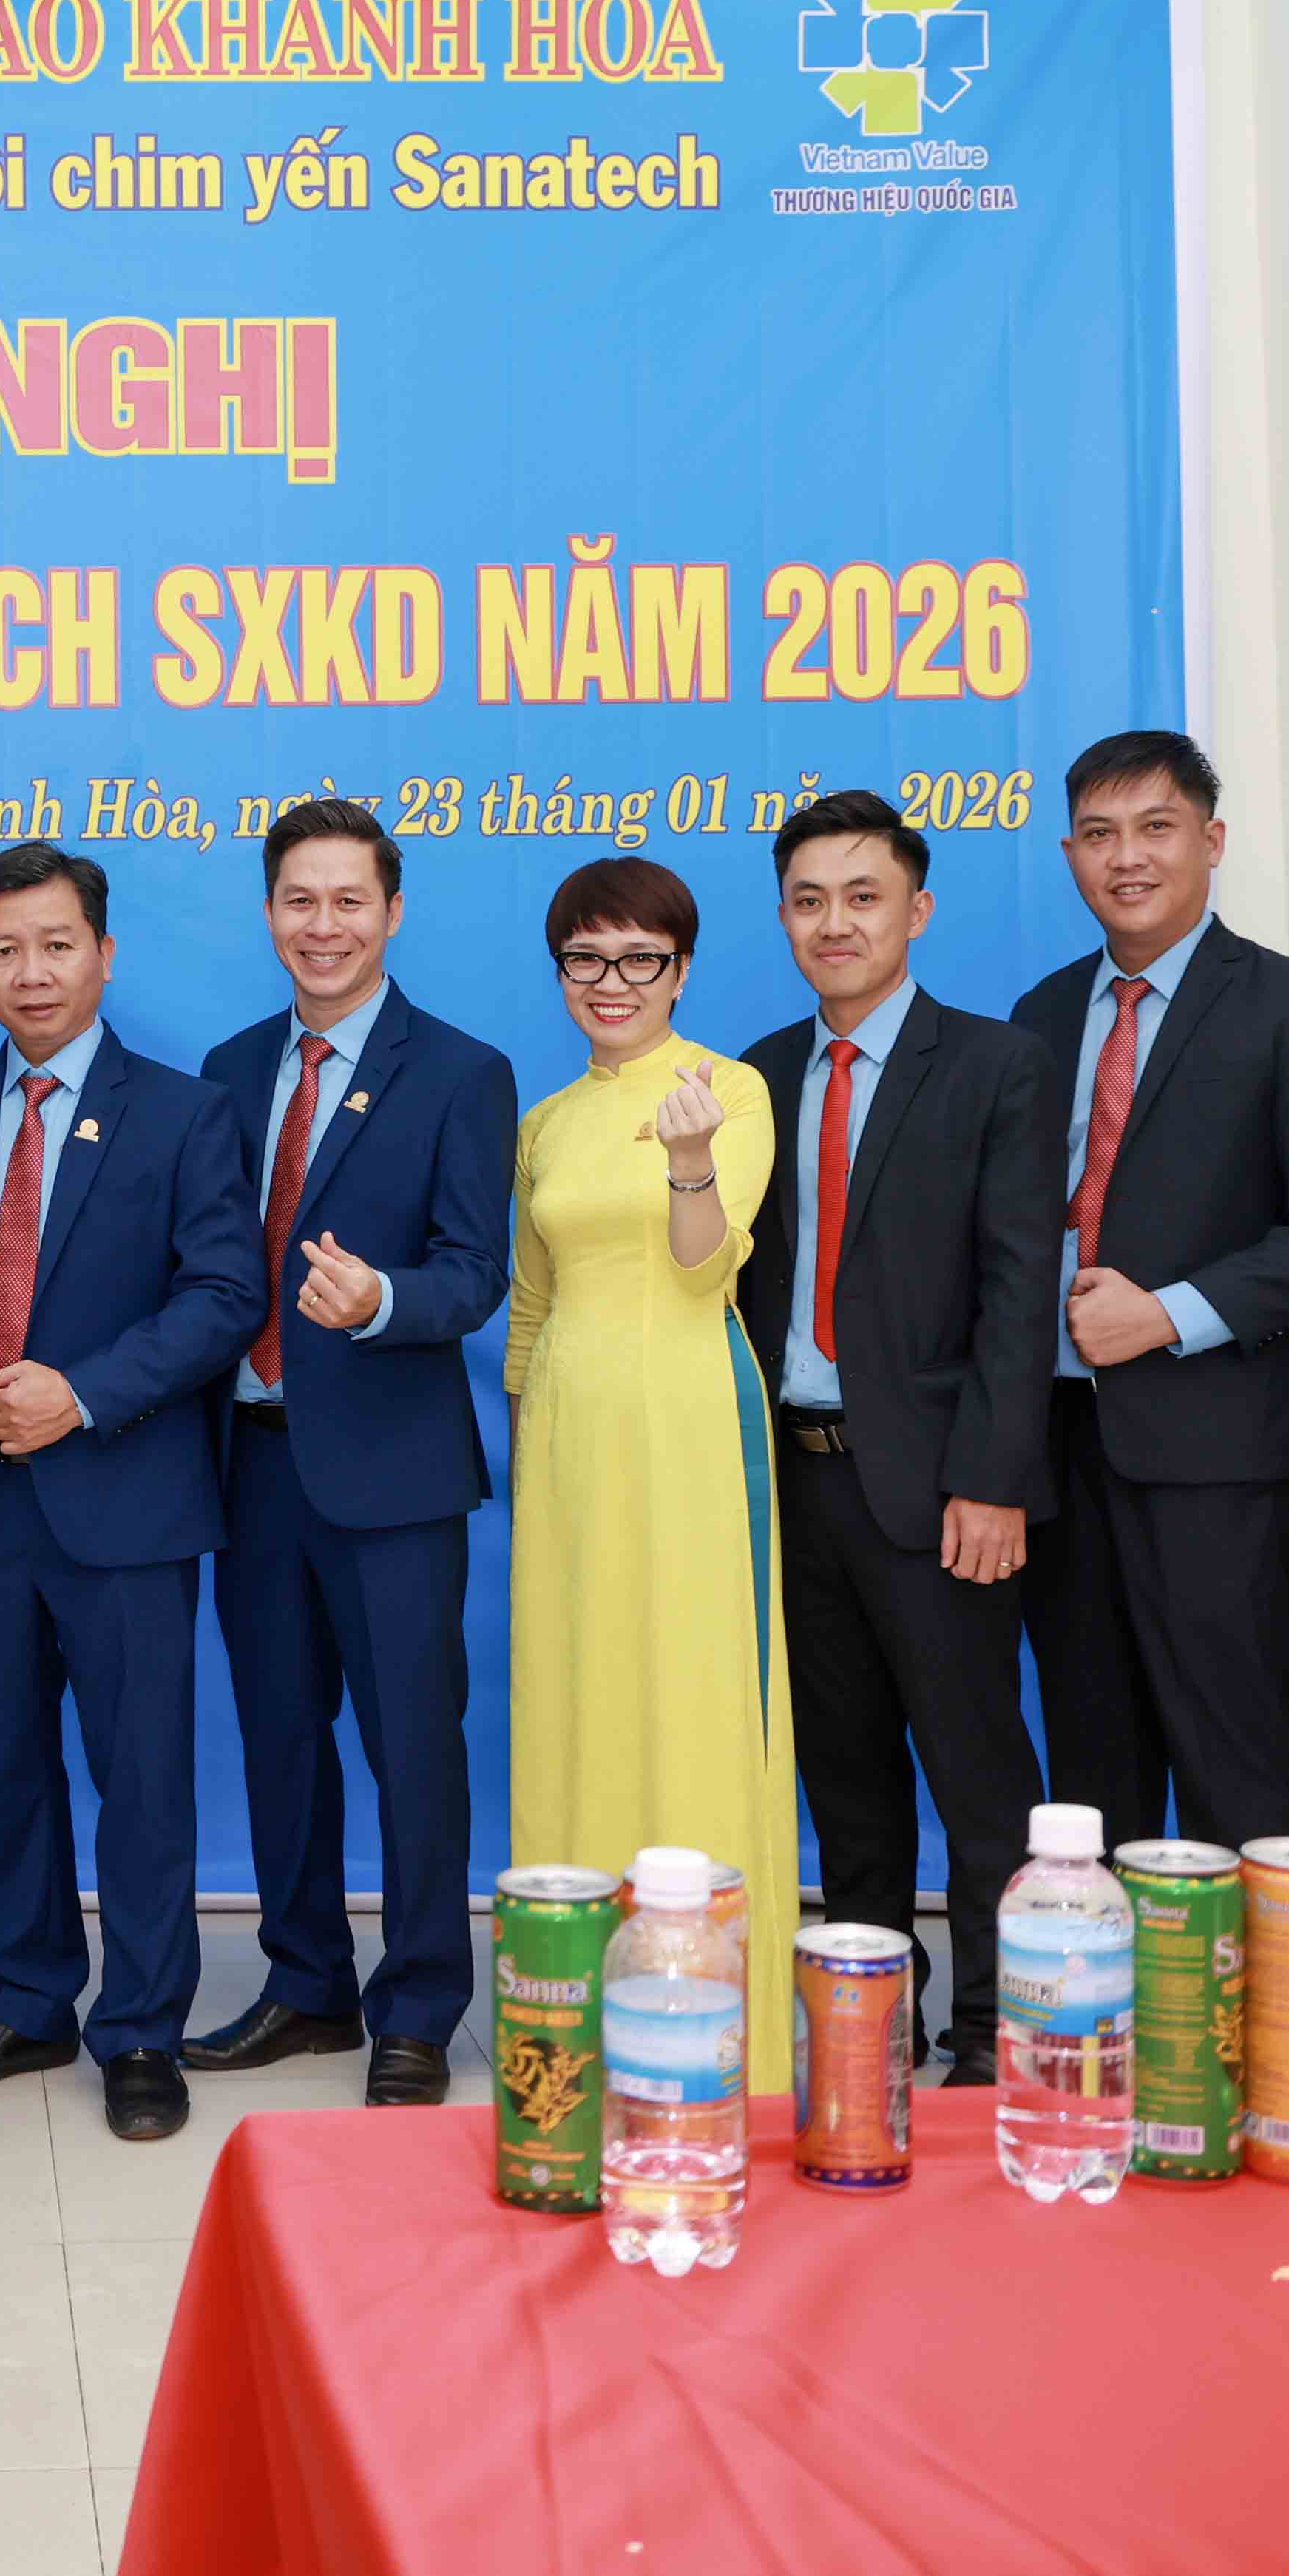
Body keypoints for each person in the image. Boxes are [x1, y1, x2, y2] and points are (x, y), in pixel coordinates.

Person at [0, 843, 260, 2143]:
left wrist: (82, 1394)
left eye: (56, 945)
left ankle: (140, 2028)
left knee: (143, 1779)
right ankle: (31, 1998)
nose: (31, 972)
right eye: (4, 949)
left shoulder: (187, 1113)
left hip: (127, 1502)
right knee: (5, 1772)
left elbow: (225, 1296)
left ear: (104, 954)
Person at [183, 798, 513, 2108]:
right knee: (280, 1737)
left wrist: (381, 1301)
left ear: (393, 912)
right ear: (269, 913)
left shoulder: (462, 1070)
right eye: (300, 901)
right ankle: (307, 1983)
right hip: (250, 1462)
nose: (324, 926)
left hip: (393, 1471)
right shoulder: (224, 1067)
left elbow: (474, 1272)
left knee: (414, 1747)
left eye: (350, 902)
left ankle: (419, 2006)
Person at [733, 792, 1059, 2084]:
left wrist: (993, 1478)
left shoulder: (994, 1066)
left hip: (940, 1488)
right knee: (847, 1780)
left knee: (979, 1779)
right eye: (809, 900)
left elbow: (1019, 1288)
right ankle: (869, 2026)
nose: (836, 923)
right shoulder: (755, 1075)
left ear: (916, 912)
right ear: (783, 918)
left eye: (863, 897)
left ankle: (993, 2033)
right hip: (796, 1483)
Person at [1009, 732, 1289, 1851]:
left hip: (1213, 1447)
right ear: (1071, 855)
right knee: (1091, 1764)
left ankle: (1269, 1975)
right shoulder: (1039, 1014)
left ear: (1211, 841)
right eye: (1099, 833)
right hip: (1055, 1447)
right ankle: (1114, 1969)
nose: (1126, 857)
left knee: (1238, 1753)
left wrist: (1166, 1314)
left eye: (1156, 828)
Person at [503, 854, 797, 2090]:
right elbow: (531, 1303)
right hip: (568, 1435)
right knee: (572, 1690)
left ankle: (717, 2019)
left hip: (687, 1422)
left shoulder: (729, 1090)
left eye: (641, 959)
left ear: (681, 970)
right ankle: (569, 2009)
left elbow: (703, 1267)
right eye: (587, 958)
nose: (611, 981)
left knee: (694, 1692)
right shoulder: (545, 1122)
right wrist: (530, 1441)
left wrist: (689, 1162)